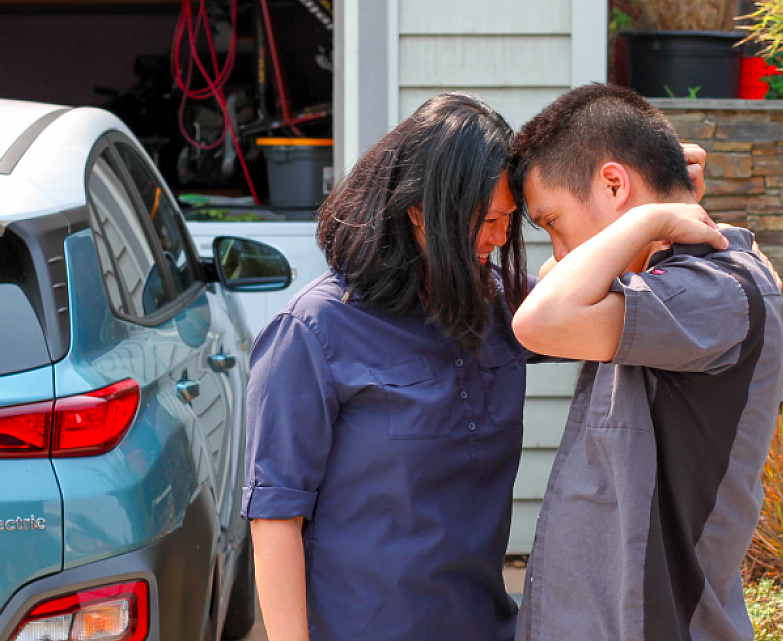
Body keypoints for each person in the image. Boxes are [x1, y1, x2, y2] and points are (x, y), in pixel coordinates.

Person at [240, 92, 732, 641]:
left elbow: (583, 291)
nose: (501, 239)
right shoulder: (312, 332)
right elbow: (275, 517)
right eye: (489, 221)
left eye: (508, 221)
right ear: (422, 209)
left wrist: (652, 202)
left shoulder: (495, 304)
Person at [509, 84, 783, 641]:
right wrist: (653, 219)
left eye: (552, 223)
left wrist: (645, 220)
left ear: (614, 182)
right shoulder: (653, 287)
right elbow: (540, 298)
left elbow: (539, 321)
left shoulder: (714, 290)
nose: (559, 252)